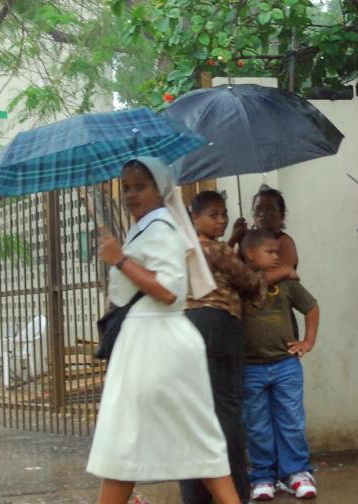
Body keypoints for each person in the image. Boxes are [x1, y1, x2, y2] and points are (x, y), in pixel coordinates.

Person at [88, 158, 240, 504]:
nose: (130, 194)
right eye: (126, 187)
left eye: (140, 186)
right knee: (165, 443)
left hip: (155, 344)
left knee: (126, 442)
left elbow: (169, 291)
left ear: (161, 189)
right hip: (145, 342)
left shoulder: (161, 228)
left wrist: (118, 260)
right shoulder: (149, 227)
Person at [180, 191, 267, 504]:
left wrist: (232, 240)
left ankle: (194, 495)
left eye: (223, 214)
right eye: (213, 215)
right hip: (219, 325)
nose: (221, 220)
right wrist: (269, 274)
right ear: (195, 218)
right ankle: (237, 492)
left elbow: (211, 268)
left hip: (187, 328)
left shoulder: (185, 247)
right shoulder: (214, 248)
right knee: (226, 411)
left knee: (193, 413)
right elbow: (245, 280)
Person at [240, 229, 320, 501]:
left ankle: (296, 473)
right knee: (257, 425)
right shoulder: (240, 284)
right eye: (270, 252)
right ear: (249, 254)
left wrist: (307, 341)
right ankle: (263, 475)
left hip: (285, 365)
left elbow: (311, 307)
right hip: (250, 368)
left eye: (278, 252)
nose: (277, 257)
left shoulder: (287, 283)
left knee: (291, 422)